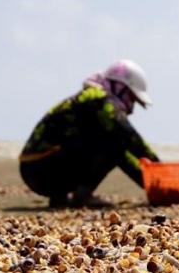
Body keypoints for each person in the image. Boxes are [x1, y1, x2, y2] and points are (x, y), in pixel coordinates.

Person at [19, 60, 160, 208]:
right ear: (120, 87)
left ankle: (59, 197)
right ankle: (82, 196)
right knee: (114, 142)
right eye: (132, 98)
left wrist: (151, 182)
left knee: (107, 138)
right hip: (44, 173)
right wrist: (158, 170)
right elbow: (128, 137)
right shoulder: (100, 99)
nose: (132, 108)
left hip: (33, 170)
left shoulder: (89, 97)